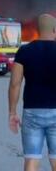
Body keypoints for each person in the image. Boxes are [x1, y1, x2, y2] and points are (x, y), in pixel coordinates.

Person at [9, 14, 56, 171]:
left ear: (37, 30)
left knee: (32, 159)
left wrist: (12, 112)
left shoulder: (24, 51)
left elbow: (15, 84)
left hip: (32, 112)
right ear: (55, 30)